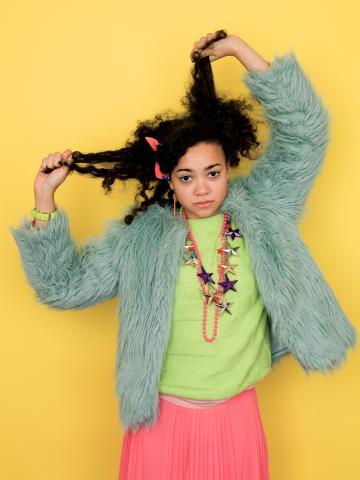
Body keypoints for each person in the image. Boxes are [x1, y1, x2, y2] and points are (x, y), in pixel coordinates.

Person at [9, 30, 357, 480]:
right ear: (168, 180)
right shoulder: (142, 239)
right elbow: (63, 286)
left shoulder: (265, 209)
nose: (203, 188)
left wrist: (238, 50)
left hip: (236, 419)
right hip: (162, 422)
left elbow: (306, 133)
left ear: (229, 166)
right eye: (186, 177)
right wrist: (44, 201)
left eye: (212, 172)